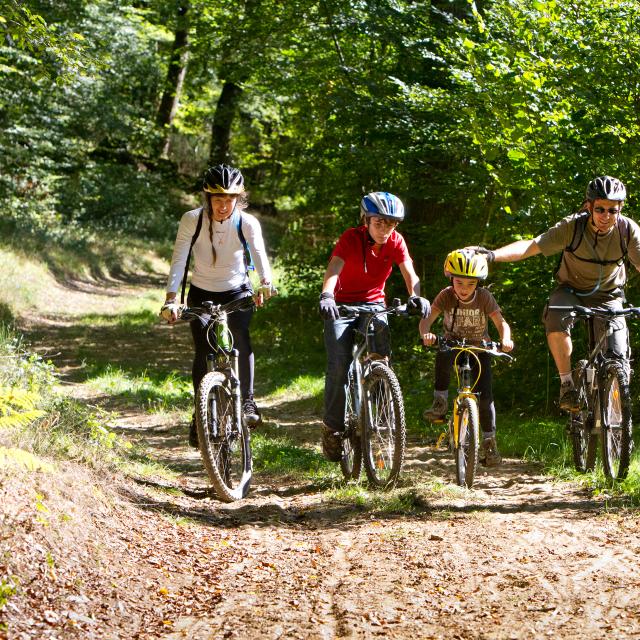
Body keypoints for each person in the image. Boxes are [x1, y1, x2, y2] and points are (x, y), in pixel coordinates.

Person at [473, 175, 640, 411]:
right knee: (555, 313)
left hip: (610, 295)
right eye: (600, 209)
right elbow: (532, 246)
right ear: (588, 206)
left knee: (620, 360)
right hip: (571, 290)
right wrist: (491, 255)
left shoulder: (627, 230)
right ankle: (567, 385)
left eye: (612, 210)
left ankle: (616, 425)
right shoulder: (572, 227)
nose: (606, 216)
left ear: (620, 209)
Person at [160, 164, 274, 446]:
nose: (224, 206)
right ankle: (199, 416)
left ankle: (247, 402)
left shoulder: (246, 222)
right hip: (201, 292)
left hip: (237, 291)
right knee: (203, 349)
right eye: (218, 199)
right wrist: (171, 299)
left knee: (240, 339)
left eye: (230, 199)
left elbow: (259, 254)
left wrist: (266, 283)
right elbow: (179, 259)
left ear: (239, 199)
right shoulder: (192, 220)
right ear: (207, 198)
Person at [318, 191, 430, 462]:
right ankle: (332, 428)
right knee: (339, 364)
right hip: (342, 305)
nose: (385, 229)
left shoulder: (395, 241)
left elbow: (409, 272)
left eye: (391, 224)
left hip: (373, 305)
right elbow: (334, 268)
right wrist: (327, 295)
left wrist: (415, 296)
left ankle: (379, 413)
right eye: (379, 223)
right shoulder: (350, 238)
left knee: (381, 357)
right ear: (365, 220)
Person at [420, 249, 513, 466]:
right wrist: (426, 334)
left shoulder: (484, 297)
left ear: (478, 284)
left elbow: (501, 322)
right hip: (453, 345)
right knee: (443, 352)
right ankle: (440, 401)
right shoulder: (445, 295)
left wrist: (505, 339)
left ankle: (489, 443)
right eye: (459, 283)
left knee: (486, 398)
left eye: (470, 284)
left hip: (480, 349)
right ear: (451, 279)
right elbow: (427, 319)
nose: (464, 289)